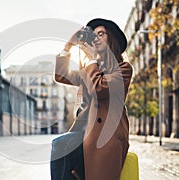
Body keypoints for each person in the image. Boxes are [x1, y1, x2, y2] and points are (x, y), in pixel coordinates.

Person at [50, 18, 133, 180]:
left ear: (112, 39)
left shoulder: (123, 69)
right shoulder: (89, 70)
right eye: (93, 35)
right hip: (83, 134)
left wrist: (91, 61)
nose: (97, 38)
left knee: (61, 145)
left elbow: (99, 89)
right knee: (61, 149)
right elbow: (60, 76)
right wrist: (68, 45)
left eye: (101, 34)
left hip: (105, 136)